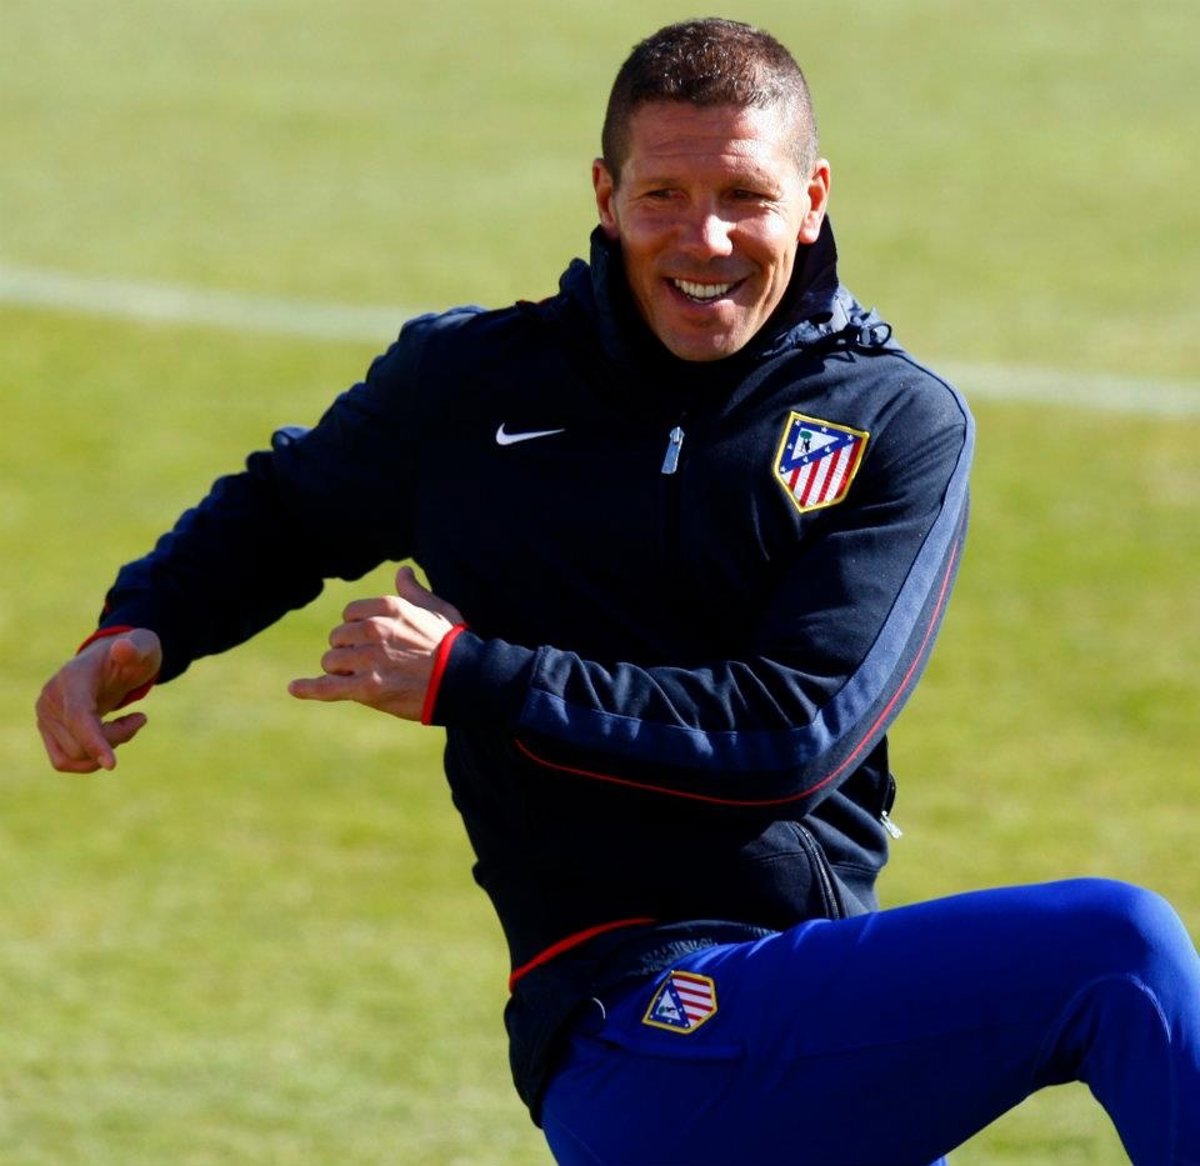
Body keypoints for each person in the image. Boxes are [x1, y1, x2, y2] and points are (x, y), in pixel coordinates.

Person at [35, 17, 1200, 1166]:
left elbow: (794, 729)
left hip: (821, 1021)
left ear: (811, 198)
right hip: (631, 1017)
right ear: (605, 194)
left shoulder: (892, 422)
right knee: (1122, 950)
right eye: (662, 195)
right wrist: (141, 626)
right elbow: (291, 506)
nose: (705, 237)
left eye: (744, 195)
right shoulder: (471, 384)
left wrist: (473, 677)